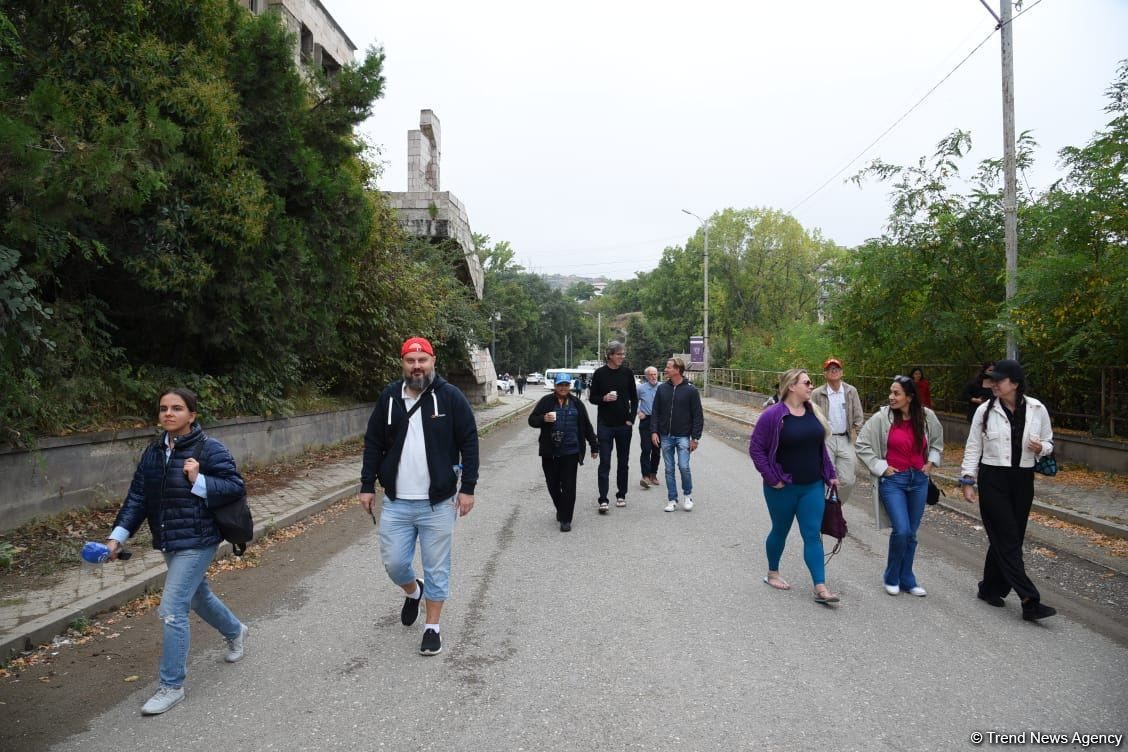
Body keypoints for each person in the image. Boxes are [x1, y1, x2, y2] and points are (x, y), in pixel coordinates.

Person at [104, 388, 248, 715]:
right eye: (163, 409)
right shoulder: (153, 452)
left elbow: (235, 486)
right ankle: (235, 631)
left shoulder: (209, 449)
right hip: (169, 539)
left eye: (177, 408)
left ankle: (171, 686)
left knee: (172, 608)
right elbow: (138, 497)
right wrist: (117, 537)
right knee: (198, 597)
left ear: (192, 415)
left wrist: (199, 479)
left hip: (199, 539)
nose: (168, 413)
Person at [359, 337, 480, 656]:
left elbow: (469, 441)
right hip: (397, 502)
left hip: (437, 503)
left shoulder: (450, 397)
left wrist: (467, 487)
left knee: (437, 566)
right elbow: (373, 442)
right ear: (403, 363)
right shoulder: (389, 397)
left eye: (422, 360)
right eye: (411, 361)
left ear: (433, 361)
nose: (417, 366)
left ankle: (432, 627)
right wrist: (367, 484)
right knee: (395, 564)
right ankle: (413, 591)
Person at [959, 359, 1057, 621]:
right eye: (992, 380)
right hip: (993, 478)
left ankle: (990, 588)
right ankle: (1029, 600)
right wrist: (968, 480)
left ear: (1014, 383)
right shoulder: (985, 411)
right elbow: (973, 447)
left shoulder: (1037, 409)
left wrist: (1042, 449)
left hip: (1023, 479)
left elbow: (1049, 441)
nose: (993, 385)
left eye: (999, 380)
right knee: (1009, 540)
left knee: (1009, 538)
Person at [748, 368, 841, 604]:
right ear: (792, 386)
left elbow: (819, 448)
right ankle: (772, 573)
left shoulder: (813, 412)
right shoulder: (773, 415)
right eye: (807, 383)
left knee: (812, 534)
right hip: (783, 487)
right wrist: (772, 478)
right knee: (780, 530)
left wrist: (830, 474)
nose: (811, 386)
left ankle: (820, 587)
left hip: (812, 485)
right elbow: (756, 449)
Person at [855, 375, 944, 597]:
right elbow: (862, 444)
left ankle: (907, 578)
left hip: (919, 481)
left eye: (896, 393)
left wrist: (930, 463)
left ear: (910, 397)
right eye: (891, 392)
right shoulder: (881, 418)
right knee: (902, 530)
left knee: (912, 533)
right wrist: (880, 467)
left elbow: (937, 443)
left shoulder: (926, 417)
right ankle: (891, 576)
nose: (891, 397)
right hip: (894, 481)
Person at [528, 372, 598, 531]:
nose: (563, 388)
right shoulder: (546, 402)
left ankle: (566, 519)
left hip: (571, 452)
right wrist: (543, 419)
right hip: (549, 452)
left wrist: (594, 446)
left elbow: (586, 426)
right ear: (555, 386)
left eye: (566, 385)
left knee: (569, 486)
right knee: (552, 485)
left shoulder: (577, 403)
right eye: (560, 385)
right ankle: (561, 508)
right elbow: (532, 420)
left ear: (570, 386)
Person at [588, 341, 639, 513]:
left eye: (623, 354)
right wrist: (604, 398)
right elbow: (592, 398)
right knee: (605, 462)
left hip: (624, 425)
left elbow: (635, 398)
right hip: (605, 425)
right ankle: (603, 499)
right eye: (619, 354)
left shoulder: (627, 373)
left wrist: (631, 419)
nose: (622, 357)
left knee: (623, 463)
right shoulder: (599, 374)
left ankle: (621, 495)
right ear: (610, 355)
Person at [650, 357, 704, 512]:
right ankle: (672, 499)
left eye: (668, 367)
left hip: (683, 436)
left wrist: (695, 438)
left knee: (684, 466)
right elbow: (655, 412)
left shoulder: (691, 390)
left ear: (677, 370)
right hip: (665, 435)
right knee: (668, 469)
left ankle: (687, 495)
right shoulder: (662, 389)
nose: (666, 369)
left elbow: (697, 415)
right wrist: (654, 431)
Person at [811, 357, 864, 504]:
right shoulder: (817, 393)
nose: (833, 371)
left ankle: (834, 508)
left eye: (836, 369)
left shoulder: (850, 391)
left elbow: (858, 417)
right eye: (829, 369)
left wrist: (860, 440)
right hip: (825, 439)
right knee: (826, 475)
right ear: (825, 374)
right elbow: (811, 416)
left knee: (848, 480)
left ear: (842, 372)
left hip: (845, 438)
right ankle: (822, 508)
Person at [636, 366, 662, 489]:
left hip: (659, 422)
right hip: (646, 420)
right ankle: (645, 476)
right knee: (646, 449)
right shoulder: (640, 388)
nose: (653, 376)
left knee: (656, 450)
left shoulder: (662, 388)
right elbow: (633, 401)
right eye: (650, 374)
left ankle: (653, 474)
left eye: (655, 374)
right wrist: (638, 412)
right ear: (646, 376)